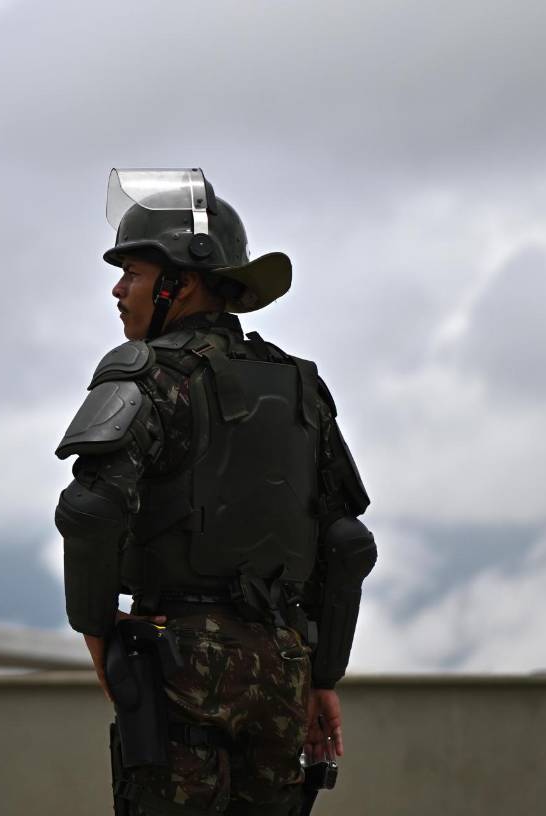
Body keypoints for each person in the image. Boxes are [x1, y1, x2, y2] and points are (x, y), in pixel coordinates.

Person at [54, 169, 376, 815]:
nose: (117, 289)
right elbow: (346, 542)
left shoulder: (146, 375)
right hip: (283, 668)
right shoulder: (300, 385)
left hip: (176, 663)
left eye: (133, 273)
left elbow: (92, 510)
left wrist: (97, 632)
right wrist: (322, 675)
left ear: (182, 282)